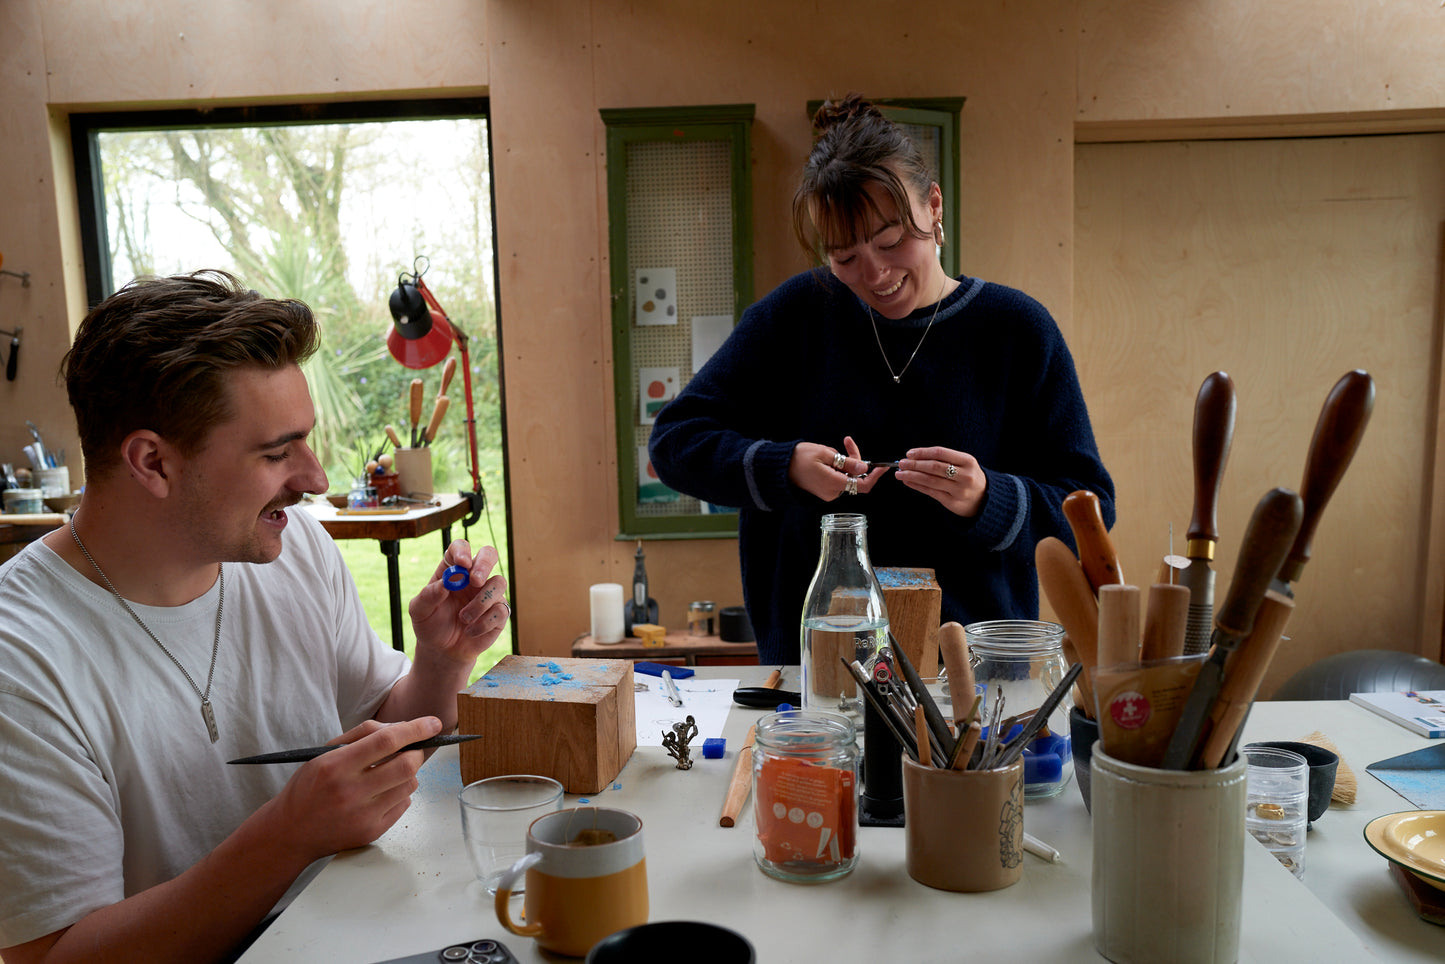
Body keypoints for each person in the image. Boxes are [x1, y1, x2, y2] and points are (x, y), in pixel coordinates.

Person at [0, 271, 509, 964]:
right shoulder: (21, 656)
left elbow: (381, 737)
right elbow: (58, 957)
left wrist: (442, 662)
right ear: (152, 461)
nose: (316, 479)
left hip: (349, 932)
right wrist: (288, 836)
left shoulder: (294, 547)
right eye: (277, 452)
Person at [649, 95, 1114, 666]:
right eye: (843, 257)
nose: (874, 275)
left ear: (934, 206)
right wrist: (785, 467)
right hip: (817, 676)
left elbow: (1092, 509)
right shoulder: (794, 317)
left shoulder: (1016, 330)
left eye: (892, 242)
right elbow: (674, 443)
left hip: (975, 681)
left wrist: (987, 499)